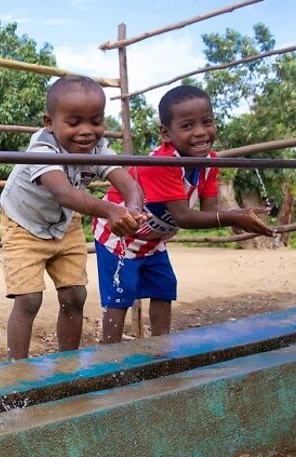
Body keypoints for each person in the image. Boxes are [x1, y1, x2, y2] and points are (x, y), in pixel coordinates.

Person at [93, 84, 274, 343]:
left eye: (207, 122)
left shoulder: (209, 162)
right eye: (188, 126)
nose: (200, 132)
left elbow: (209, 212)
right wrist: (233, 216)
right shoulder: (162, 164)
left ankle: (161, 347)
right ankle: (109, 356)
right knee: (120, 296)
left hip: (153, 241)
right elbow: (184, 217)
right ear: (166, 133)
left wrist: (235, 217)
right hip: (119, 237)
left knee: (164, 287)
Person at [0, 76, 147, 360]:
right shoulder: (42, 149)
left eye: (95, 121)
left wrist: (131, 209)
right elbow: (64, 193)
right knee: (29, 299)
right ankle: (15, 372)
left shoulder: (98, 149)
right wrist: (109, 211)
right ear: (49, 122)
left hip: (66, 225)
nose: (86, 131)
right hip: (23, 224)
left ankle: (67, 365)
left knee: (75, 295)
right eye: (74, 122)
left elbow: (130, 185)